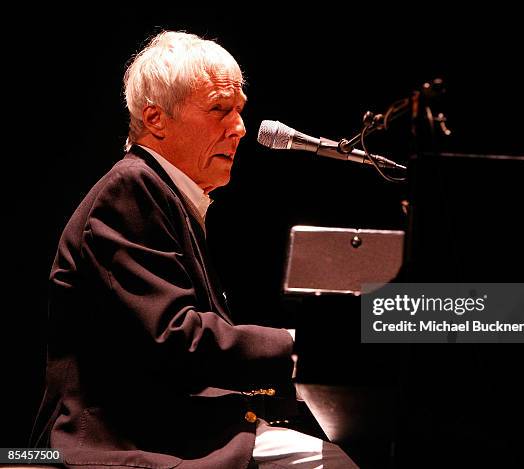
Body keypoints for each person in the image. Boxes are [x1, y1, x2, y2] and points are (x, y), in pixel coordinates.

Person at [31, 31, 357, 468]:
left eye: (239, 110)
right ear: (156, 118)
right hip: (121, 440)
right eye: (220, 109)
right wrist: (295, 349)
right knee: (331, 463)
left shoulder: (164, 193)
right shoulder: (130, 189)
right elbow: (175, 338)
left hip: (173, 426)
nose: (239, 127)